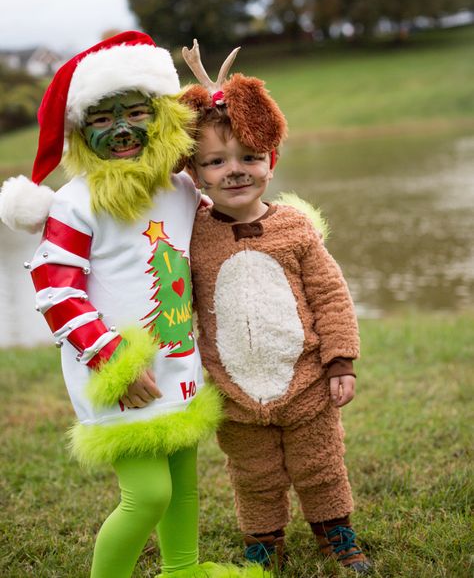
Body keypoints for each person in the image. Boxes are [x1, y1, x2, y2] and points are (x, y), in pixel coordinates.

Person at [0, 32, 265, 578]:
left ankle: (182, 568)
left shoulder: (183, 189)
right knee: (146, 495)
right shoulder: (77, 203)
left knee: (183, 481)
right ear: (79, 131)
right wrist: (109, 357)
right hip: (118, 369)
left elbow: (229, 183)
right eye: (101, 119)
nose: (121, 129)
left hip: (178, 363)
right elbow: (55, 287)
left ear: (162, 117)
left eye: (137, 112)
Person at [180, 40, 372, 574]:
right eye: (216, 162)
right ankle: (263, 541)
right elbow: (176, 301)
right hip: (235, 389)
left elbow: (331, 296)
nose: (234, 171)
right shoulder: (191, 236)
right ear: (195, 174)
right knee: (253, 473)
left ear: (271, 162)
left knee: (320, 465)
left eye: (249, 158)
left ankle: (336, 533)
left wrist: (340, 360)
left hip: (306, 381)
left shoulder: (295, 229)